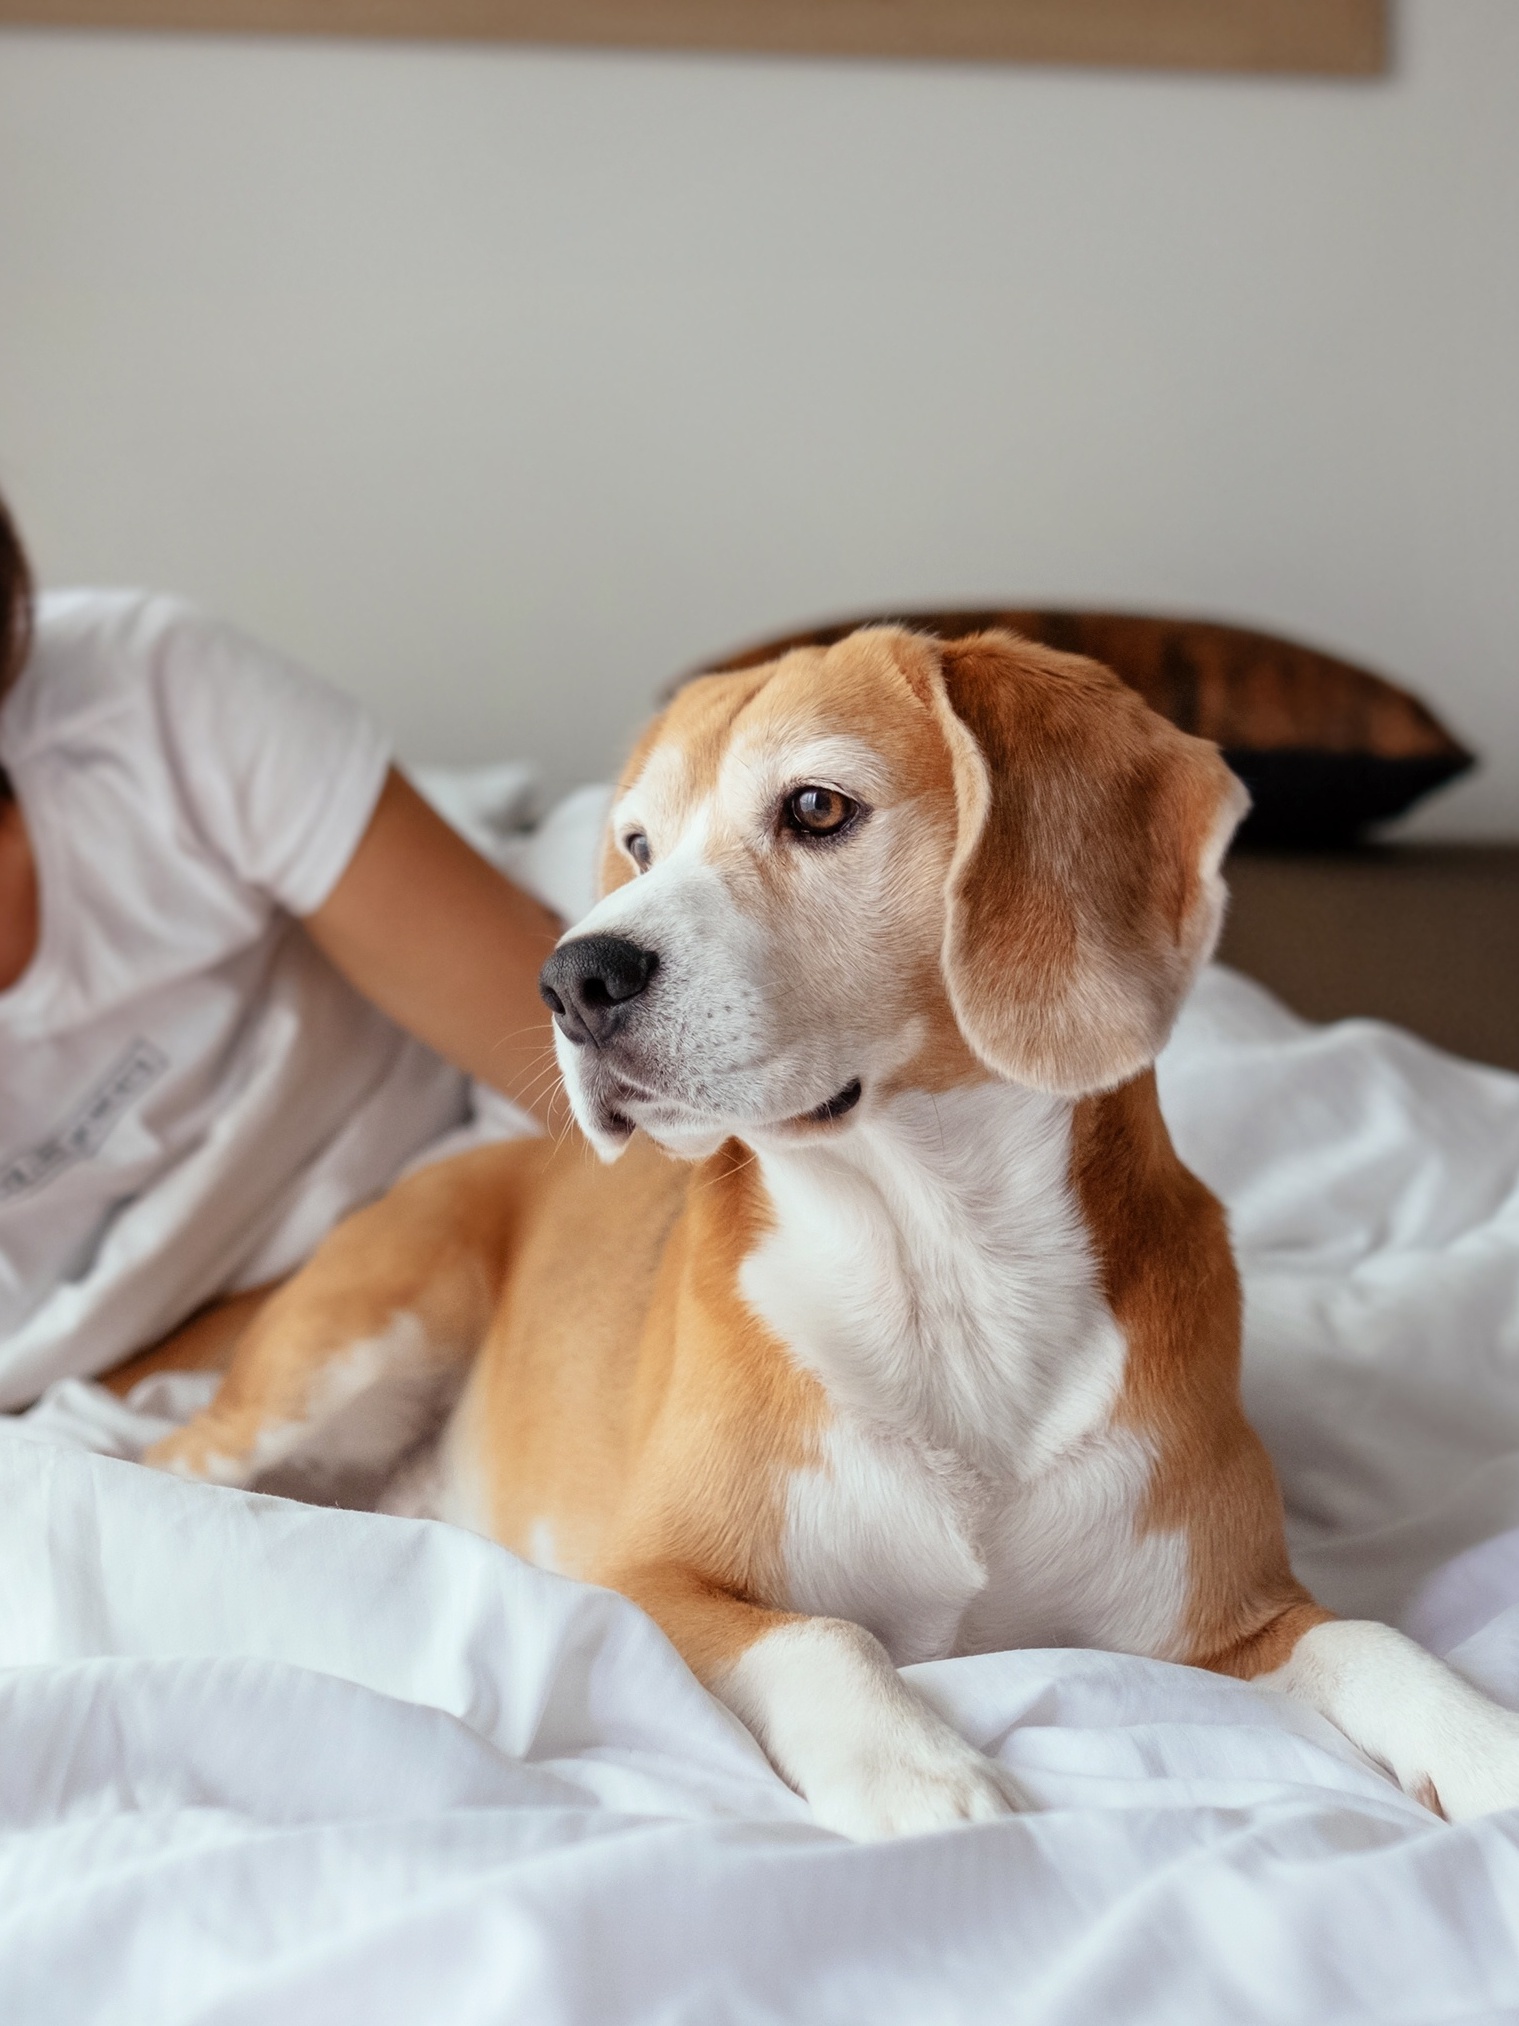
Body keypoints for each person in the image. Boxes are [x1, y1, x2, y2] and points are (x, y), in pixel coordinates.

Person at [0, 488, 564, 1410]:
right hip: (122, 1388)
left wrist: (403, 1272)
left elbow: (574, 1082)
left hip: (457, 1165)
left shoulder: (148, 697)